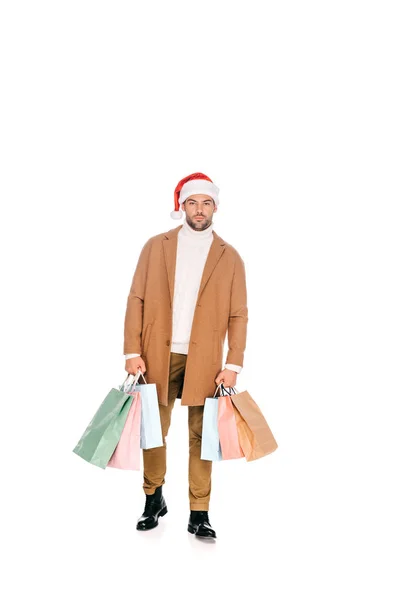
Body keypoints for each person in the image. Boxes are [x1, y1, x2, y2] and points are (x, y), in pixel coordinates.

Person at [123, 172, 248, 539]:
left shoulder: (230, 257)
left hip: (206, 361)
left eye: (206, 203)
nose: (199, 210)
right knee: (153, 432)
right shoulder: (155, 246)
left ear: (215, 207)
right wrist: (132, 350)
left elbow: (238, 313)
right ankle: (153, 498)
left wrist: (233, 363)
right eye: (192, 202)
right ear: (181, 205)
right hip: (156, 355)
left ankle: (199, 512)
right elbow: (136, 299)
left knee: (203, 437)